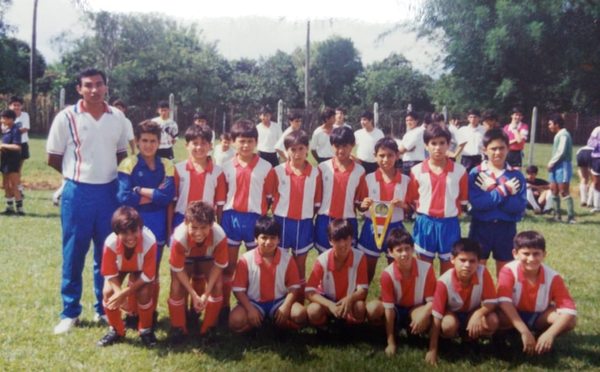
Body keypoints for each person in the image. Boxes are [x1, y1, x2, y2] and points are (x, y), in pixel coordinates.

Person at [46, 68, 130, 334]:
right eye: (88, 85)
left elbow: (122, 155)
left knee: (106, 253)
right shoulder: (66, 117)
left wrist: (105, 176)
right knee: (73, 252)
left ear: (106, 87)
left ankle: (103, 308)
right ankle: (70, 312)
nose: (94, 89)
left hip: (109, 192)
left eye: (98, 84)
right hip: (77, 191)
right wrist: (77, 176)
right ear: (79, 89)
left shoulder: (117, 117)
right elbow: (53, 157)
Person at [117, 120, 175, 321]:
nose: (148, 145)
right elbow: (123, 197)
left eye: (153, 141)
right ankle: (131, 313)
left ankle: (149, 312)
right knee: (133, 269)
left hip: (157, 223)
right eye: (144, 141)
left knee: (152, 271)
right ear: (138, 142)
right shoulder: (128, 163)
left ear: (159, 143)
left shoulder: (166, 164)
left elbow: (166, 197)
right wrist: (154, 194)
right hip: (133, 224)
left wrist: (139, 190)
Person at [221, 119, 275, 314]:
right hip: (231, 219)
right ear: (233, 141)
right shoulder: (226, 166)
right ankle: (224, 306)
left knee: (258, 265)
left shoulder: (266, 167)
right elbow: (223, 194)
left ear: (256, 142)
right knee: (229, 266)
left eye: (250, 141)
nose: (245, 145)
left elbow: (270, 196)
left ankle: (256, 303)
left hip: (255, 220)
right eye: (241, 141)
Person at [496, 231, 577, 354]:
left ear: (544, 254)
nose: (531, 259)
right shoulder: (508, 270)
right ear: (515, 254)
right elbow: (504, 302)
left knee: (570, 321)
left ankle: (541, 337)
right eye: (526, 254)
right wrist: (524, 331)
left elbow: (569, 310)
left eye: (536, 254)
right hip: (512, 314)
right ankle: (501, 336)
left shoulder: (553, 276)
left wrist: (550, 334)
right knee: (494, 318)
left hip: (538, 315)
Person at [425, 238, 498, 365]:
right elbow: (436, 316)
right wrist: (432, 349)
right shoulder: (444, 281)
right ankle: (446, 340)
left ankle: (469, 339)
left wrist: (477, 314)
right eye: (462, 260)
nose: (467, 265)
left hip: (472, 312)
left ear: (478, 262)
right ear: (452, 259)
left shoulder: (483, 272)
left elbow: (491, 303)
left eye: (472, 261)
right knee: (448, 325)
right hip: (452, 314)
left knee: (493, 321)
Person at [406, 125, 468, 274]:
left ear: (448, 145)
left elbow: (463, 200)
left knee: (449, 269)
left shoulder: (460, 171)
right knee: (424, 269)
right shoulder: (416, 170)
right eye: (433, 143)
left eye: (442, 143)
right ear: (426, 145)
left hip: (449, 224)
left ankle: (445, 296)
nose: (438, 147)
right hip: (425, 222)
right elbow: (413, 198)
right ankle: (426, 296)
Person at [365, 228, 436, 356]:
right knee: (372, 309)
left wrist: (424, 313)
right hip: (395, 309)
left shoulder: (427, 268)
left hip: (415, 308)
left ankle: (413, 332)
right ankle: (387, 334)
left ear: (413, 248)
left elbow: (432, 302)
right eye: (399, 250)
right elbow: (389, 309)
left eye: (407, 248)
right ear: (390, 253)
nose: (404, 254)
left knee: (425, 316)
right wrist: (391, 343)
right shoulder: (387, 274)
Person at [229, 216, 306, 332]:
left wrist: (286, 306)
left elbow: (294, 287)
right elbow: (238, 290)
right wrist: (250, 309)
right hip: (254, 302)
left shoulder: (287, 259)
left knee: (300, 315)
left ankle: (276, 322)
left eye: (273, 238)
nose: (268, 242)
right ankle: (261, 322)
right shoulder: (245, 259)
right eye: (263, 238)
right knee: (235, 321)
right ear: (255, 239)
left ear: (279, 239)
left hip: (279, 301)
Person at [270, 130, 322, 299]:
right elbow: (270, 197)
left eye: (301, 148)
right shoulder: (277, 171)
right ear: (286, 151)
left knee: (300, 263)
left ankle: (298, 300)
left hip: (304, 222)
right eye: (293, 149)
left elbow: (316, 202)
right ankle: (278, 298)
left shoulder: (315, 173)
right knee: (280, 262)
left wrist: (305, 214)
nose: (297, 153)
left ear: (307, 148)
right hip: (282, 222)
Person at [468, 128, 527, 275]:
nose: (498, 152)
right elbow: (479, 204)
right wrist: (504, 190)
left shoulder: (516, 175)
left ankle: (503, 297)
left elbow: (518, 206)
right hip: (481, 226)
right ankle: (480, 297)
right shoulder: (477, 173)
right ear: (484, 150)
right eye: (493, 148)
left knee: (505, 269)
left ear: (508, 149)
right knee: (478, 267)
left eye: (502, 148)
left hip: (506, 228)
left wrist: (492, 191)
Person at [97, 206, 158, 347]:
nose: (130, 237)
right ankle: (117, 330)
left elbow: (148, 275)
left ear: (140, 228)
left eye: (134, 231)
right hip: (121, 267)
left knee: (144, 292)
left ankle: (145, 330)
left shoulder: (150, 240)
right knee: (108, 292)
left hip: (140, 269)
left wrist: (125, 294)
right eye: (124, 233)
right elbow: (109, 273)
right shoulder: (110, 242)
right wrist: (119, 294)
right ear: (117, 232)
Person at [167, 201, 228, 341]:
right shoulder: (179, 237)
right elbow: (178, 269)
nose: (198, 233)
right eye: (193, 227)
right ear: (186, 223)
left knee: (217, 286)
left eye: (203, 227)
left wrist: (206, 294)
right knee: (177, 287)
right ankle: (178, 328)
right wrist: (194, 294)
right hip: (186, 256)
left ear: (211, 225)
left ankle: (208, 329)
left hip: (207, 256)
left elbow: (219, 265)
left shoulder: (220, 236)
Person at [357, 137, 410, 283]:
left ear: (397, 156)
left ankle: (395, 301)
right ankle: (361, 299)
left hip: (395, 228)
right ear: (375, 156)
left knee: (396, 270)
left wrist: (404, 205)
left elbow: (412, 208)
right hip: (371, 227)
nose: (386, 159)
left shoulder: (406, 180)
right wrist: (364, 204)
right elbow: (360, 206)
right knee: (367, 269)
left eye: (390, 155)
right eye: (381, 155)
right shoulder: (368, 178)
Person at [306, 219, 369, 327]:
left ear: (352, 238)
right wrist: (329, 304)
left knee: (360, 307)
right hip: (327, 300)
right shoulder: (322, 260)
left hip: (348, 300)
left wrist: (350, 299)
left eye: (346, 239)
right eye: (337, 240)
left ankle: (347, 326)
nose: (342, 244)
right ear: (330, 241)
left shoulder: (360, 257)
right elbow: (309, 291)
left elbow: (363, 290)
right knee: (313, 310)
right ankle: (326, 326)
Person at [315, 126, 367, 253]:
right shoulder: (323, 168)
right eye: (337, 146)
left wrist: (364, 205)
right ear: (332, 145)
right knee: (324, 259)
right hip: (325, 220)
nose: (341, 150)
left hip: (347, 221)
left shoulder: (360, 171)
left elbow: (360, 204)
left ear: (353, 145)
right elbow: (316, 199)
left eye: (345, 146)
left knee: (347, 259)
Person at [172, 125, 226, 228]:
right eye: (195, 143)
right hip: (181, 219)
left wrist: (219, 227)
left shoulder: (218, 172)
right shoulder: (178, 169)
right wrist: (169, 228)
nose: (199, 147)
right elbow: (172, 202)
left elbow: (220, 205)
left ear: (210, 146)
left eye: (203, 143)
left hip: (206, 220)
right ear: (187, 145)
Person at [547, 114, 575, 223]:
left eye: (550, 124)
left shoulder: (564, 135)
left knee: (563, 191)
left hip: (562, 166)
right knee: (554, 190)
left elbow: (561, 152)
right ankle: (557, 216)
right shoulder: (558, 135)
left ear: (556, 124)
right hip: (555, 166)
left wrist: (551, 163)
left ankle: (571, 217)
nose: (549, 126)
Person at [1, 109, 23, 215]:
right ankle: (9, 207)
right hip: (4, 160)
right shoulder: (5, 129)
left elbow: (17, 146)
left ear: (11, 119)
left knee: (13, 184)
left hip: (13, 161)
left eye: (4, 118)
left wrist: (3, 146)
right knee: (5, 184)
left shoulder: (15, 130)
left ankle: (19, 209)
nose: (2, 120)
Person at [8, 96, 30, 196]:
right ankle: (12, 188)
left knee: (18, 169)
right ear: (10, 106)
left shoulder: (25, 115)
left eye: (18, 105)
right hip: (9, 145)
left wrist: (12, 131)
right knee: (9, 169)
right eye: (14, 105)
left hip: (22, 144)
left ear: (21, 106)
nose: (16, 107)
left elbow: (25, 128)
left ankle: (18, 189)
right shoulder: (6, 115)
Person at [397, 111, 426, 176]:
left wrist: (405, 150)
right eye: (407, 120)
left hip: (415, 163)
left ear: (417, 121)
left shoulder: (419, 131)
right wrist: (406, 149)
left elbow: (403, 149)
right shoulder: (407, 134)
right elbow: (401, 148)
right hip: (406, 163)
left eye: (411, 120)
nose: (408, 122)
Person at [585, 124, 600, 212]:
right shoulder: (597, 129)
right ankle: (597, 206)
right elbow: (590, 143)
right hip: (597, 159)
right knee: (597, 182)